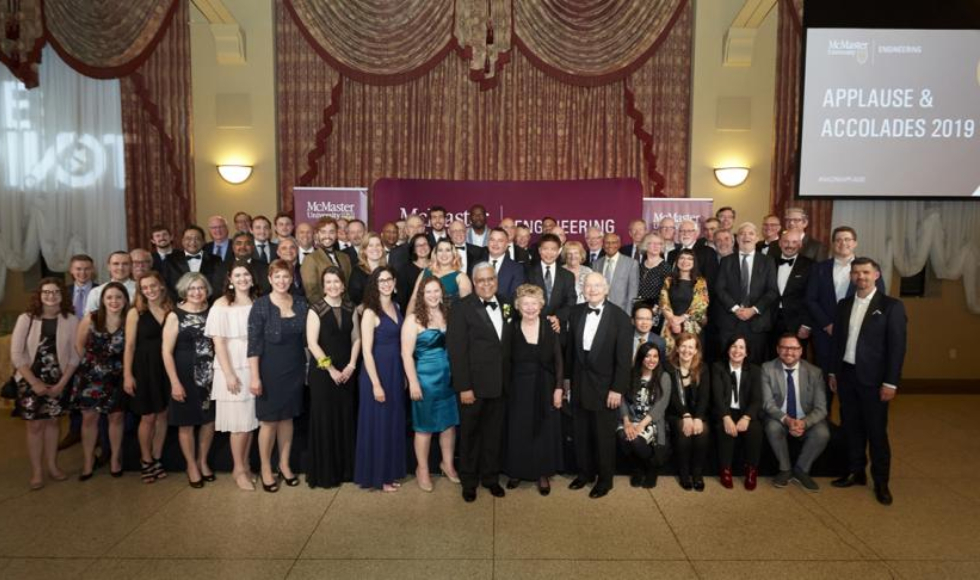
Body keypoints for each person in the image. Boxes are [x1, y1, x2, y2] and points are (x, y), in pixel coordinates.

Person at [829, 258, 907, 505]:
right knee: (851, 426)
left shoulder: (891, 306)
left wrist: (891, 383)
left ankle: (881, 481)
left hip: (874, 380)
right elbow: (837, 343)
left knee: (876, 431)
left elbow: (897, 348)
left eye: (865, 272)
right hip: (847, 375)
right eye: (856, 273)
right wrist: (833, 373)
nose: (860, 276)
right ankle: (856, 471)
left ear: (876, 274)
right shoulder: (844, 305)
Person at [447, 262, 511, 502]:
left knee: (494, 434)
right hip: (472, 386)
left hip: (500, 384)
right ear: (474, 283)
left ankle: (491, 478)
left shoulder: (506, 303)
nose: (486, 284)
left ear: (496, 280)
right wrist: (464, 386)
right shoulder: (461, 308)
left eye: (490, 279)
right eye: (481, 280)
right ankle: (469, 481)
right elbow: (457, 351)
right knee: (471, 435)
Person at [565, 272, 632, 499]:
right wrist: (567, 381)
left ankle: (605, 480)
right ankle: (584, 474)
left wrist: (617, 389)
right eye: (587, 286)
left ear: (606, 289)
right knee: (580, 433)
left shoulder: (620, 317)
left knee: (603, 437)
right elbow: (570, 352)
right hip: (579, 383)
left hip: (606, 389)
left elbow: (624, 359)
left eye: (596, 286)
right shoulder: (575, 313)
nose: (591, 290)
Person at [10, 278, 80, 489]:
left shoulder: (71, 320)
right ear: (39, 295)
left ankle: (52, 466)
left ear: (62, 295)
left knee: (53, 423)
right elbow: (16, 353)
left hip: (59, 380)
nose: (51, 296)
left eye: (56, 292)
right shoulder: (26, 318)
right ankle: (37, 472)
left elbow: (76, 356)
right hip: (30, 380)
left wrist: (62, 384)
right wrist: (33, 383)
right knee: (35, 425)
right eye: (46, 292)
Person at [248, 260, 309, 492]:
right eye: (278, 277)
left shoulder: (301, 303)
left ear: (291, 278)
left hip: (294, 368)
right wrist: (255, 377)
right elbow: (253, 345)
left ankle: (284, 465)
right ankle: (265, 467)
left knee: (288, 419)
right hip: (269, 370)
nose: (282, 281)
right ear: (270, 279)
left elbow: (308, 339)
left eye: (286, 276)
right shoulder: (261, 305)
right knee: (269, 422)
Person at [503, 284, 564, 495]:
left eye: (534, 303)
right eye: (525, 304)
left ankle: (542, 473)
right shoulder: (510, 327)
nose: (530, 308)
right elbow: (506, 362)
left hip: (545, 386)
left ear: (541, 305)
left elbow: (558, 360)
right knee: (519, 429)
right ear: (518, 306)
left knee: (544, 430)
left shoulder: (550, 327)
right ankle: (517, 470)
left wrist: (558, 388)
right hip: (518, 387)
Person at [401, 276, 460, 492]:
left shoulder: (448, 314)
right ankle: (422, 469)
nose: (433, 296)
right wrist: (413, 382)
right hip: (425, 379)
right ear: (422, 295)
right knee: (424, 427)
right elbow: (406, 354)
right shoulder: (413, 319)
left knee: (449, 424)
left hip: (449, 378)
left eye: (437, 291)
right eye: (429, 292)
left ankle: (448, 464)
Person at [205, 264, 260, 491]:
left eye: (246, 274)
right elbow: (218, 342)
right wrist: (228, 374)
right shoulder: (221, 304)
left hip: (254, 365)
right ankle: (237, 469)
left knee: (250, 421)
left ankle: (246, 464)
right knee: (239, 423)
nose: (242, 278)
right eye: (237, 275)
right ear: (230, 279)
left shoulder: (257, 302)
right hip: (233, 366)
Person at [306, 266, 361, 489]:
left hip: (347, 373)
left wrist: (351, 366)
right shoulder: (315, 309)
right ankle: (327, 473)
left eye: (336, 282)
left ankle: (346, 470)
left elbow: (357, 338)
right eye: (328, 282)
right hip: (323, 374)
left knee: (345, 419)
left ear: (343, 284)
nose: (332, 286)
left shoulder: (351, 307)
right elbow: (312, 344)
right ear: (323, 285)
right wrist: (331, 371)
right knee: (325, 421)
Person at [806, 226, 884, 380]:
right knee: (823, 380)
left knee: (851, 381)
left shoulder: (868, 268)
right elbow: (810, 299)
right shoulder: (818, 268)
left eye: (847, 239)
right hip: (825, 333)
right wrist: (827, 324)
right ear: (833, 244)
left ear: (855, 243)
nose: (843, 243)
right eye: (838, 240)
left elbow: (878, 299)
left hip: (857, 333)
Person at [354, 267, 407, 491]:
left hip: (395, 370)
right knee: (377, 425)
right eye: (381, 280)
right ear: (375, 284)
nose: (385, 284)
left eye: (389, 280)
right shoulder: (369, 312)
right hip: (376, 373)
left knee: (392, 424)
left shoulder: (396, 307)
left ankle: (389, 472)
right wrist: (376, 384)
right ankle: (377, 477)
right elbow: (366, 351)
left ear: (394, 282)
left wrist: (404, 373)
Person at [162, 272, 216, 488]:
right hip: (184, 376)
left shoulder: (213, 312)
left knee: (209, 420)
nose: (196, 292)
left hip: (211, 376)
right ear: (184, 290)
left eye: (201, 288)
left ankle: (203, 461)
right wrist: (174, 382)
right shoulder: (175, 315)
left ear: (207, 291)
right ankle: (191, 465)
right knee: (186, 423)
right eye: (192, 288)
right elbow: (166, 352)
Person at [70, 281, 129, 480]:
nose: (114, 301)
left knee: (116, 418)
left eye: (119, 297)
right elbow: (78, 345)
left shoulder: (130, 319)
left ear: (125, 300)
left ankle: (114, 460)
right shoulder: (91, 318)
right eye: (109, 297)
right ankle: (88, 461)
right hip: (90, 377)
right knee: (89, 419)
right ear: (102, 300)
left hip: (117, 377)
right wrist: (93, 366)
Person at [762, 333, 829, 491]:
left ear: (801, 351)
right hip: (779, 417)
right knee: (772, 427)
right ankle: (785, 469)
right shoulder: (767, 368)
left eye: (793, 348)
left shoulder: (815, 372)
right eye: (784, 348)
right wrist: (786, 420)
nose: (789, 352)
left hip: (805, 418)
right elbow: (768, 403)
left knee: (822, 433)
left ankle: (801, 470)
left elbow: (821, 408)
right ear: (778, 350)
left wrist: (803, 423)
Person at [123, 271, 171, 484]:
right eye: (145, 288)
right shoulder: (136, 312)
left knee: (163, 415)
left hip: (167, 368)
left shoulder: (171, 309)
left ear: (161, 285)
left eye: (153, 286)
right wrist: (127, 375)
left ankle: (158, 457)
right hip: (144, 369)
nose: (150, 290)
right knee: (148, 417)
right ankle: (145, 459)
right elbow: (130, 346)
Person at [714, 222, 779, 364]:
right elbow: (719, 288)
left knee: (755, 365)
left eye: (751, 233)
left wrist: (754, 310)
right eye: (742, 233)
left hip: (757, 323)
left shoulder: (767, 261)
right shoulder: (726, 261)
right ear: (737, 239)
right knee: (726, 364)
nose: (746, 236)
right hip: (730, 322)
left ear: (757, 238)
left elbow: (773, 291)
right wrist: (736, 309)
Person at [712, 335, 763, 490]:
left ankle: (751, 470)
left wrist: (747, 417)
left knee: (755, 429)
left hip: (745, 412)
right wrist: (726, 418)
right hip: (724, 411)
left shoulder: (755, 370)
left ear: (747, 352)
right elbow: (717, 397)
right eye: (733, 346)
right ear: (728, 349)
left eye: (741, 347)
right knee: (725, 428)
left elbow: (757, 399)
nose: (737, 350)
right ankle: (725, 469)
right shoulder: (718, 367)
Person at [619, 342, 671, 489]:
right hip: (631, 418)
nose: (651, 360)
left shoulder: (664, 376)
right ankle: (637, 468)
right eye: (647, 356)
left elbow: (661, 405)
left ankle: (651, 467)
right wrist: (627, 421)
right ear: (641, 357)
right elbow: (621, 399)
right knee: (623, 435)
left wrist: (641, 425)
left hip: (652, 421)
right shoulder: (631, 375)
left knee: (635, 440)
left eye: (655, 356)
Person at [58, 254, 96, 451]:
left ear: (93, 270)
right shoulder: (62, 293)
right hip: (67, 350)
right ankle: (74, 431)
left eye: (87, 269)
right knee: (72, 391)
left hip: (94, 350)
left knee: (94, 392)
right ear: (71, 271)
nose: (82, 273)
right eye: (78, 269)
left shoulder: (100, 291)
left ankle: (96, 434)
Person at [666, 332, 710, 491]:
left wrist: (697, 417)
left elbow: (704, 396)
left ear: (696, 350)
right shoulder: (669, 366)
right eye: (683, 346)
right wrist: (685, 415)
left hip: (697, 412)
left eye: (691, 347)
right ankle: (684, 474)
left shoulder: (702, 367)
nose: (687, 350)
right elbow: (670, 396)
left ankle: (697, 474)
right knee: (683, 429)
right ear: (677, 348)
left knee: (702, 431)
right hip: (675, 412)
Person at [770, 229, 813, 357]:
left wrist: (806, 324)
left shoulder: (810, 265)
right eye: (786, 241)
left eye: (794, 242)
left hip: (797, 322)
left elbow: (812, 297)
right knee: (770, 356)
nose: (790, 245)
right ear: (780, 243)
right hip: (771, 320)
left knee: (795, 358)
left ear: (800, 244)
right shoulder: (769, 262)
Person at [659, 249, 709, 354]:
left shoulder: (700, 282)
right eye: (682, 258)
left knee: (690, 359)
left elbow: (701, 304)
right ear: (677, 261)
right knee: (669, 357)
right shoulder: (669, 280)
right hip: (670, 325)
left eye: (689, 258)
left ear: (694, 262)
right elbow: (663, 302)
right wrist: (673, 320)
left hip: (692, 327)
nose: (685, 261)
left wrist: (681, 319)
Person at [525, 233, 576, 333]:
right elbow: (524, 299)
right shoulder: (528, 273)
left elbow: (571, 301)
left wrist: (557, 317)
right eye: (545, 249)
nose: (549, 253)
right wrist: (542, 318)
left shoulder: (568, 276)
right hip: (533, 327)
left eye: (553, 249)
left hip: (558, 327)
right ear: (539, 250)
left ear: (559, 251)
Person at [163, 225, 225, 302]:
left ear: (203, 242)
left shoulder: (216, 260)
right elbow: (167, 286)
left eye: (197, 239)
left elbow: (218, 286)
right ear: (182, 241)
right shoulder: (170, 260)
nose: (193, 242)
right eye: (188, 238)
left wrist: (205, 302)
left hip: (208, 305)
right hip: (179, 306)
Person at [409, 238, 473, 311]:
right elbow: (414, 299)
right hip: (423, 318)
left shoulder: (461, 277)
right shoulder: (425, 272)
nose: (444, 254)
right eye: (440, 250)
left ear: (454, 254)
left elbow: (466, 305)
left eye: (448, 250)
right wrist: (408, 320)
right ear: (435, 253)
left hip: (449, 319)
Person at [301, 216, 353, 297]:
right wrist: (328, 308)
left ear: (336, 234)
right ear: (317, 234)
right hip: (322, 307)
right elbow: (311, 292)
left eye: (331, 232)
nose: (327, 236)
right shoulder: (310, 259)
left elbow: (348, 287)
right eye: (323, 232)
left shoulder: (345, 258)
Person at [594, 233, 639, 313]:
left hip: (621, 311)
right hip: (599, 310)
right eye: (607, 243)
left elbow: (633, 293)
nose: (610, 245)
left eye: (614, 242)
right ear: (603, 245)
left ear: (619, 244)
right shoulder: (596, 264)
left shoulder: (631, 263)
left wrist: (628, 315)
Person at [636, 233, 670, 320]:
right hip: (638, 309)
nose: (657, 246)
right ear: (645, 245)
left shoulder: (665, 267)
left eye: (659, 244)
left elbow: (667, 294)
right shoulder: (639, 266)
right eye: (653, 243)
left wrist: (657, 308)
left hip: (656, 311)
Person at [347, 232, 388, 305]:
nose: (375, 249)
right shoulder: (357, 271)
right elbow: (355, 299)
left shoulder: (388, 270)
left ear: (382, 248)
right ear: (364, 250)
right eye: (370, 245)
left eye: (378, 245)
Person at [486, 228, 525, 302]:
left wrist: (503, 313)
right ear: (487, 242)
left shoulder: (516, 268)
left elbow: (515, 297)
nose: (495, 244)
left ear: (507, 244)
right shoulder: (477, 264)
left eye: (500, 241)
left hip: (505, 311)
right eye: (492, 240)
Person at [396, 233, 430, 312]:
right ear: (414, 250)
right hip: (413, 314)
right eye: (418, 245)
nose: (422, 247)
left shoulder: (437, 266)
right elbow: (402, 299)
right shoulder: (405, 270)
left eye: (425, 244)